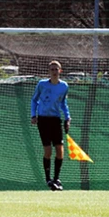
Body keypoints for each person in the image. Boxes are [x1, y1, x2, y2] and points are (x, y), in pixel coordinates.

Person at [30, 60, 71, 191]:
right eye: (52, 69)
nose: (54, 71)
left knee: (60, 150)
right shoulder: (42, 84)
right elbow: (34, 100)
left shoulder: (64, 86)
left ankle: (56, 179)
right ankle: (48, 179)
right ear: (49, 71)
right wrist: (33, 115)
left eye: (56, 69)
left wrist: (67, 117)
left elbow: (63, 103)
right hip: (43, 120)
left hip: (55, 119)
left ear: (60, 71)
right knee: (48, 150)